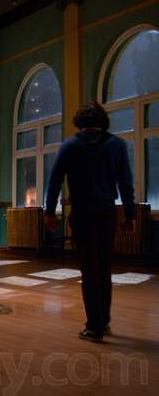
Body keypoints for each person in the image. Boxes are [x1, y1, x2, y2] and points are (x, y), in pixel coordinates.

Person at [45, 102, 135, 343]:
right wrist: (130, 214)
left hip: (82, 211)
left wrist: (50, 212)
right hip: (106, 210)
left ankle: (93, 326)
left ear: (79, 122)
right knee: (104, 266)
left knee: (89, 268)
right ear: (103, 120)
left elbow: (54, 181)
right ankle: (103, 321)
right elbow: (125, 182)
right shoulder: (116, 145)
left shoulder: (70, 145)